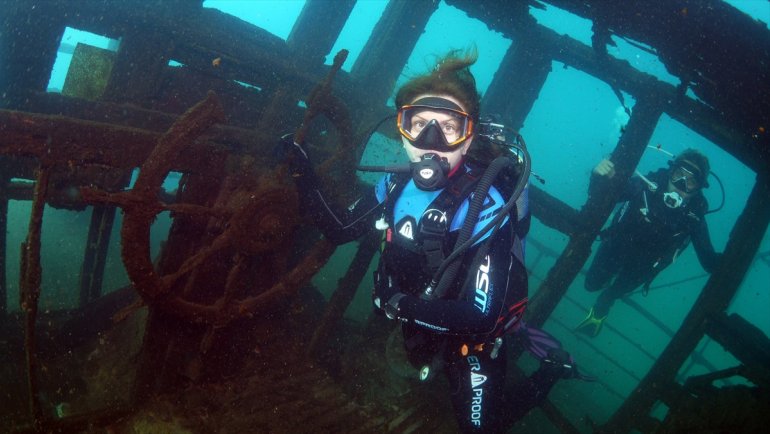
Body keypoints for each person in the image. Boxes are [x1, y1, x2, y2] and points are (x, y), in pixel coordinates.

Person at [283, 50, 580, 433]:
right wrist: (301, 172)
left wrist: (397, 303)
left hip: (471, 340)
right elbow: (341, 228)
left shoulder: (487, 206)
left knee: (482, 429)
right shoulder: (395, 183)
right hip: (420, 313)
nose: (431, 142)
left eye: (449, 128)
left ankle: (551, 372)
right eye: (418, 124)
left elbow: (481, 317)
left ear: (469, 136)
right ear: (400, 128)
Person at [576, 149, 722, 337]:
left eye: (691, 182)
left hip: (644, 266)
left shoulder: (694, 218)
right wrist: (598, 176)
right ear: (671, 172)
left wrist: (735, 261)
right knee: (591, 285)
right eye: (679, 175)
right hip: (616, 245)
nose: (680, 185)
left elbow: (709, 262)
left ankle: (602, 307)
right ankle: (603, 295)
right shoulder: (644, 186)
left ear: (698, 189)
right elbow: (600, 195)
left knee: (610, 294)